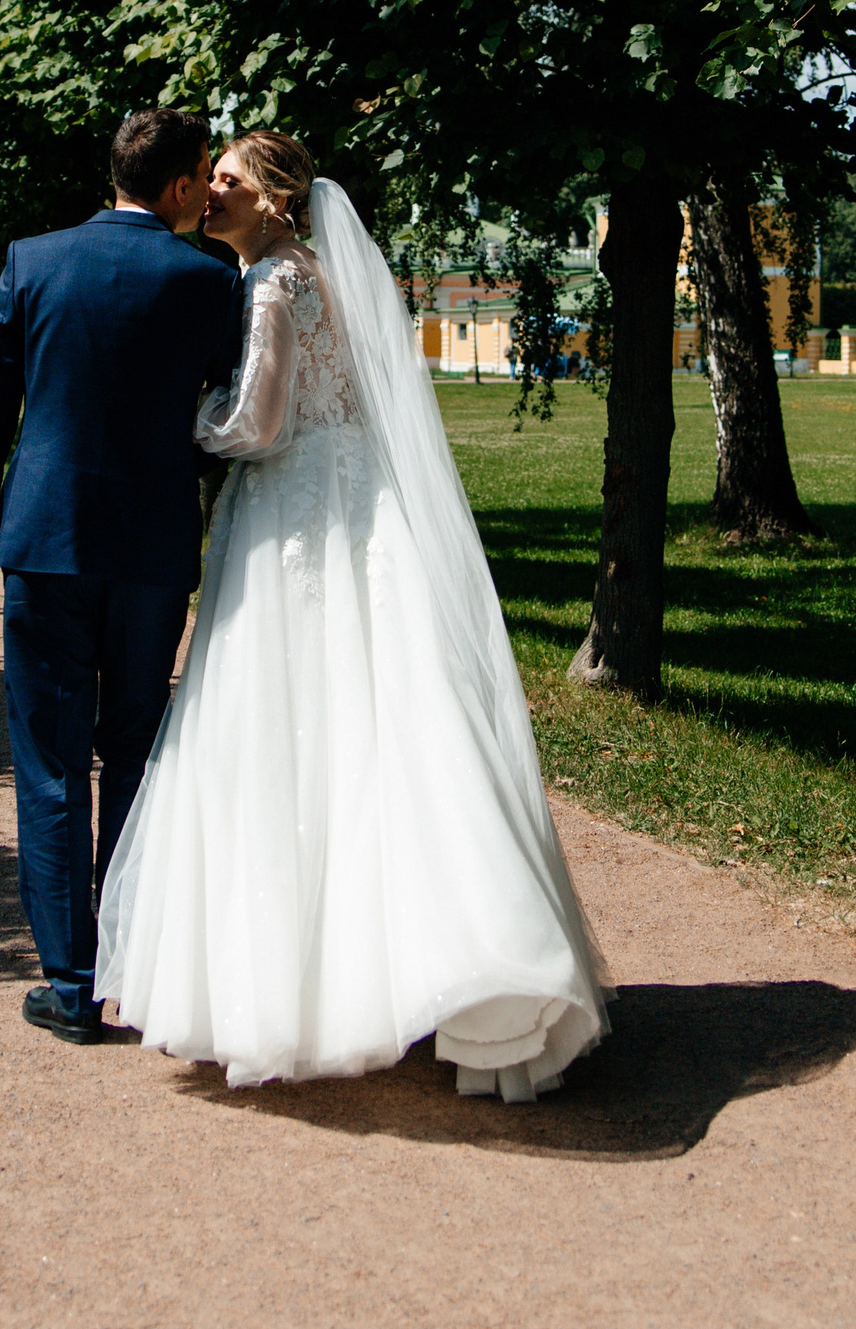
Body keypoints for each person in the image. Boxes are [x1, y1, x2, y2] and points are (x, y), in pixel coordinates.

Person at [97, 132, 610, 1102]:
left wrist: (177, 420)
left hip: (294, 516)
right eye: (209, 180)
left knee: (284, 733)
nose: (209, 193)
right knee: (376, 730)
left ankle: (305, 989)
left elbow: (259, 425)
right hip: (351, 506)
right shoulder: (313, 273)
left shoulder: (274, 284)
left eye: (229, 182)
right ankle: (421, 964)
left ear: (277, 199)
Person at [0, 108, 243, 1047]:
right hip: (153, 549)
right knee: (133, 756)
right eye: (205, 174)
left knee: (48, 766)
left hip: (43, 541)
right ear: (183, 185)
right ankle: (126, 961)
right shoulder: (207, 278)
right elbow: (222, 414)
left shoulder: (33, 261)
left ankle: (69, 986)